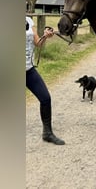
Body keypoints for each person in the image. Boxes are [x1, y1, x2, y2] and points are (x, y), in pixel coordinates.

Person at [26, 16, 65, 145]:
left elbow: (38, 43)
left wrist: (45, 36)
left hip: (28, 69)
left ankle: (47, 133)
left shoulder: (28, 20)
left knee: (45, 98)